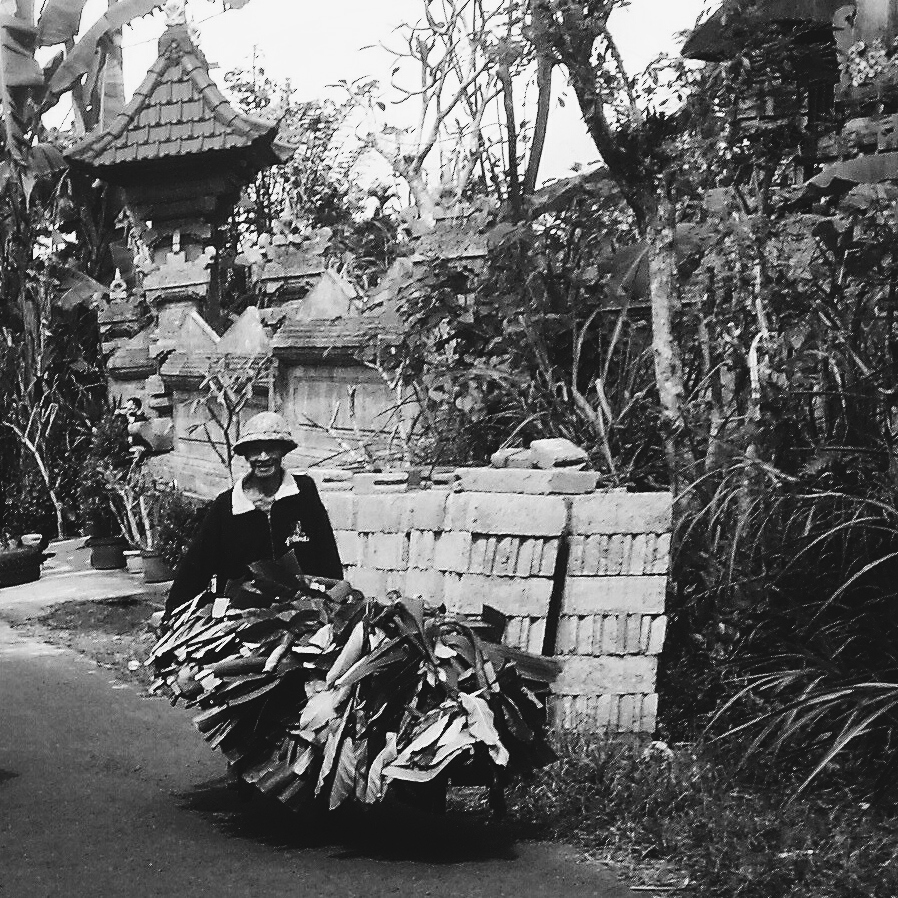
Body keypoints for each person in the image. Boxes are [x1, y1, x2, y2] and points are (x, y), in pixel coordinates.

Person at [164, 412, 343, 617]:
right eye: (255, 450)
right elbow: (197, 565)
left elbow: (326, 552)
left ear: (283, 451)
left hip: (301, 612)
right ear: (246, 454)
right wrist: (172, 614)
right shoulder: (227, 506)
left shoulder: (303, 493)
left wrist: (334, 604)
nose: (263, 457)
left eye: (271, 448)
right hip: (241, 613)